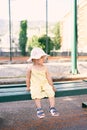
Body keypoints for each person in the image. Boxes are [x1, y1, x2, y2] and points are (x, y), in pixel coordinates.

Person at [26, 47, 59, 118]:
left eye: (44, 57)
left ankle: (52, 107)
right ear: (36, 59)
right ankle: (39, 109)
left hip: (44, 83)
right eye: (42, 58)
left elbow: (48, 78)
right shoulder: (30, 68)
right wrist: (28, 86)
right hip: (35, 84)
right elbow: (28, 78)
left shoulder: (45, 67)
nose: (44, 59)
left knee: (51, 92)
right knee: (36, 93)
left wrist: (52, 86)